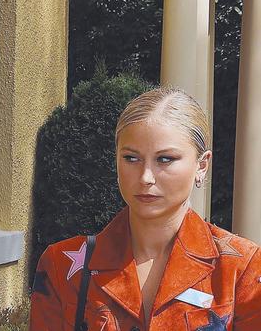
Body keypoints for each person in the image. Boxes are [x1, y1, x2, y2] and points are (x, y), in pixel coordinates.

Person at [30, 88, 261, 330]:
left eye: (165, 159)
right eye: (131, 158)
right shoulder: (61, 265)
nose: (146, 177)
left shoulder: (240, 268)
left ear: (202, 165)